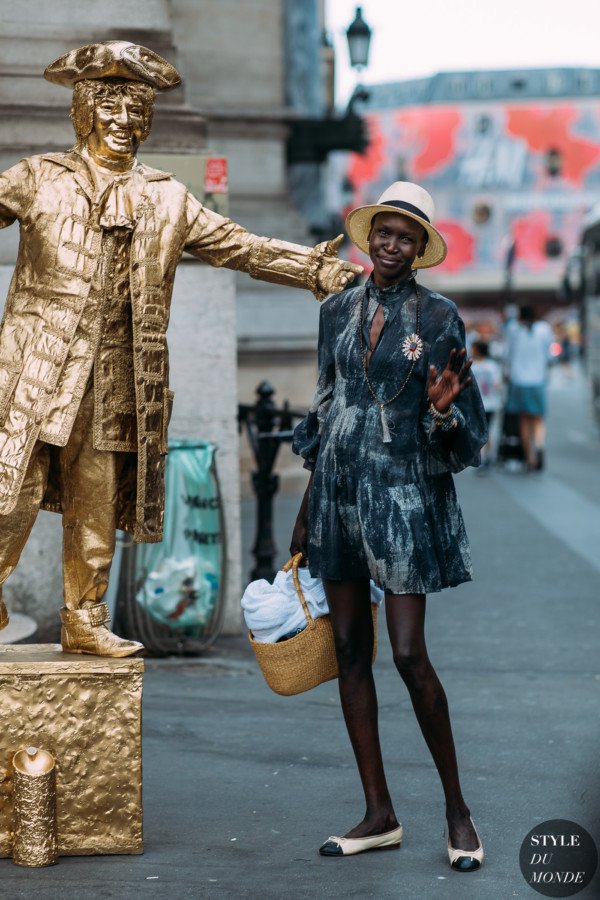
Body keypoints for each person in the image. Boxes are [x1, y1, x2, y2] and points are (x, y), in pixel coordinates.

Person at [0, 41, 362, 657]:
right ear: (85, 114)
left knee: (96, 501)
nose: (122, 123)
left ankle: (85, 617)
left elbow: (239, 245)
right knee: (11, 491)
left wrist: (312, 269)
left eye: (134, 112)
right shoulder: (38, 179)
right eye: (109, 110)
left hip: (117, 376)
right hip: (37, 371)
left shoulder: (168, 197)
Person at [290, 182, 488, 871]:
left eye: (406, 237)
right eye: (384, 233)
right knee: (349, 649)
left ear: (420, 248)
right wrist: (306, 503)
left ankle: (457, 810)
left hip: (404, 497)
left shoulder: (439, 318)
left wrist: (440, 411)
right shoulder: (336, 308)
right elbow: (323, 406)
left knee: (407, 654)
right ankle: (378, 812)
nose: (393, 246)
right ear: (368, 236)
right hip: (339, 494)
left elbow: (469, 440)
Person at [504, 305, 553, 472]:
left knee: (523, 421)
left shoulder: (513, 329)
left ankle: (530, 458)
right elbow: (550, 355)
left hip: (519, 381)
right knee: (538, 419)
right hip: (538, 379)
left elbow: (507, 354)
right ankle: (539, 445)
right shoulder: (544, 329)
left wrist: (506, 373)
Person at [470, 340, 503, 468]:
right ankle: (486, 456)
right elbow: (498, 384)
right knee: (486, 431)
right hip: (490, 403)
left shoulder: (472, 366)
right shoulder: (492, 366)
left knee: (480, 431)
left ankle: (484, 457)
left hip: (481, 404)